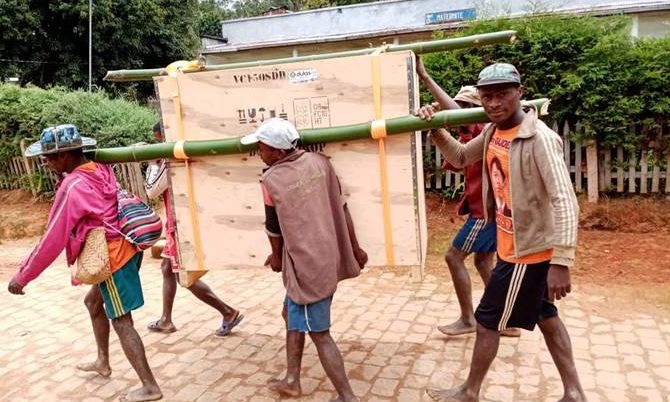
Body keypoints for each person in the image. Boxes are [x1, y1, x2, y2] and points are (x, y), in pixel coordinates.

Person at [424, 63, 586, 402]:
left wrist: (561, 261)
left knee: (486, 320)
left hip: (528, 252)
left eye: (502, 94)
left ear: (520, 92)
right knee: (545, 315)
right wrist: (436, 128)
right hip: (511, 243)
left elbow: (565, 200)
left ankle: (470, 391)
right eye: (487, 96)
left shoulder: (539, 138)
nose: (494, 103)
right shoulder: (492, 132)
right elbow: (460, 156)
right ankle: (574, 392)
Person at [7, 124, 162, 402]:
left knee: (122, 321)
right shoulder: (98, 168)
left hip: (111, 257)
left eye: (49, 157)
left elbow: (52, 238)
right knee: (93, 303)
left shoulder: (73, 185)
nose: (46, 162)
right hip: (126, 246)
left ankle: (150, 386)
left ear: (64, 156)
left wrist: (22, 276)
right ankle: (103, 361)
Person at [241, 118, 368, 402]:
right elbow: (342, 207)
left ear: (278, 151)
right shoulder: (321, 163)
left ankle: (347, 396)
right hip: (327, 255)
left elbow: (273, 228)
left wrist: (276, 257)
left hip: (307, 266)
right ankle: (292, 379)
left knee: (320, 332)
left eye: (261, 147)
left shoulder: (271, 179)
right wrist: (355, 248)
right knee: (291, 314)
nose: (258, 152)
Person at [416, 57, 519, 337]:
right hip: (492, 210)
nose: (458, 112)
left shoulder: (484, 128)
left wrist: (426, 78)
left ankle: (468, 319)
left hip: (485, 212)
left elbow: (454, 116)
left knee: (453, 257)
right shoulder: (479, 136)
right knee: (483, 261)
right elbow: (459, 156)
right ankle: (505, 320)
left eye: (464, 108)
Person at [145, 122, 244, 336]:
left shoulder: (171, 156)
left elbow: (152, 190)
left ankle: (228, 312)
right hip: (180, 220)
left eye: (157, 140)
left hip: (181, 222)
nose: (157, 144)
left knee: (184, 275)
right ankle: (166, 319)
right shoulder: (184, 149)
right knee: (168, 268)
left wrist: (153, 162)